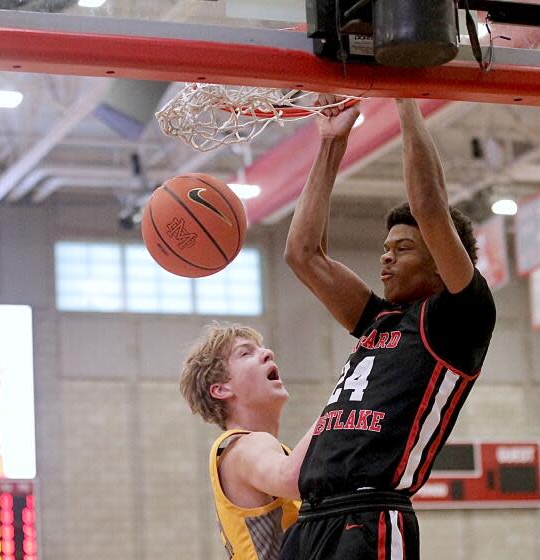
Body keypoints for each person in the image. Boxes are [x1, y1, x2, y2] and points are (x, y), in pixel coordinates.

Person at [281, 97, 496, 560]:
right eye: (385, 247)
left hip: (371, 514)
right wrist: (331, 142)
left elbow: (430, 206)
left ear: (441, 261)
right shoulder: (377, 320)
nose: (386, 256)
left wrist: (405, 98)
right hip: (311, 518)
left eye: (403, 248)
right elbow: (303, 253)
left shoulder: (458, 318)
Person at [180, 323, 314, 560]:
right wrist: (340, 405)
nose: (268, 353)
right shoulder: (244, 446)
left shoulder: (264, 450)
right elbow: (293, 478)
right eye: (246, 352)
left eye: (261, 348)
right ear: (221, 389)